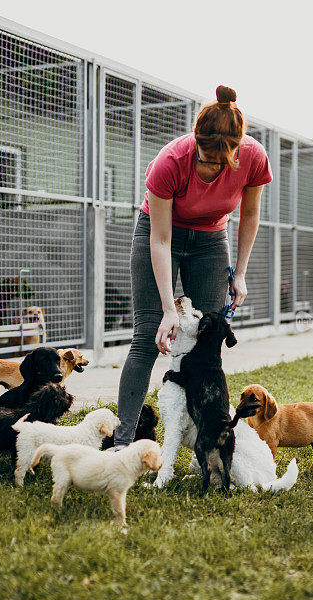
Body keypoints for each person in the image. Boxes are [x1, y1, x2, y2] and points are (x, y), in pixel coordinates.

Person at [112, 85, 273, 448]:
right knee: (146, 338)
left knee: (208, 341)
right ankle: (121, 441)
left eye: (218, 162)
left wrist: (241, 272)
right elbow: (161, 239)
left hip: (212, 241)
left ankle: (210, 440)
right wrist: (169, 309)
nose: (208, 167)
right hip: (160, 233)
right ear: (196, 140)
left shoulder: (254, 157)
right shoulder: (170, 161)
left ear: (235, 150)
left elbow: (249, 214)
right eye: (203, 157)